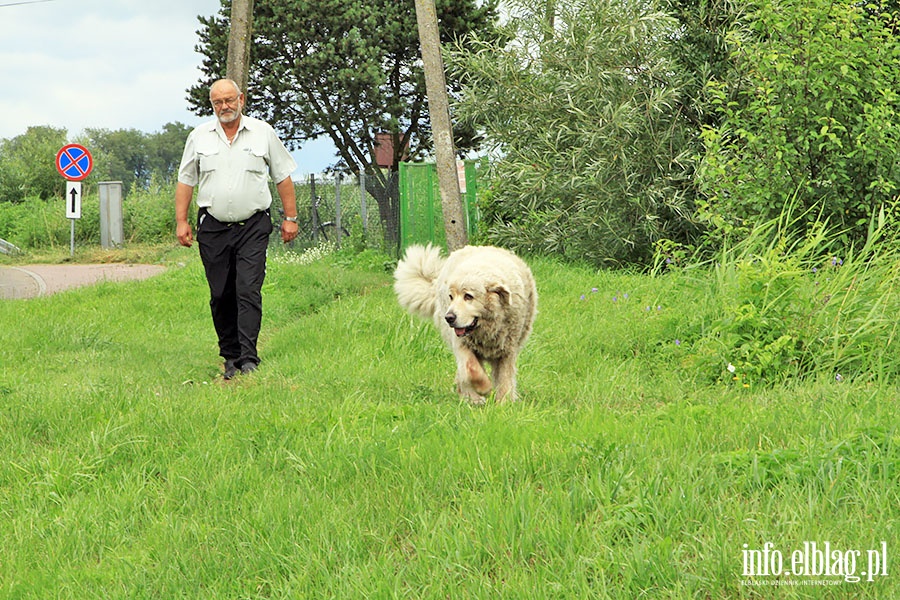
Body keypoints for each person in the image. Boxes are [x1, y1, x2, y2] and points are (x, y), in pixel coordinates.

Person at [175, 78, 299, 379]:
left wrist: (291, 217)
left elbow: (282, 176)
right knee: (221, 293)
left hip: (253, 225)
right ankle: (229, 355)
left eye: (230, 100)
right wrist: (181, 221)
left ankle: (248, 357)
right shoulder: (199, 137)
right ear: (212, 105)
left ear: (241, 99)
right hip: (213, 227)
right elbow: (186, 180)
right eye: (218, 102)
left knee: (248, 289)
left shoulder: (262, 133)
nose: (225, 107)